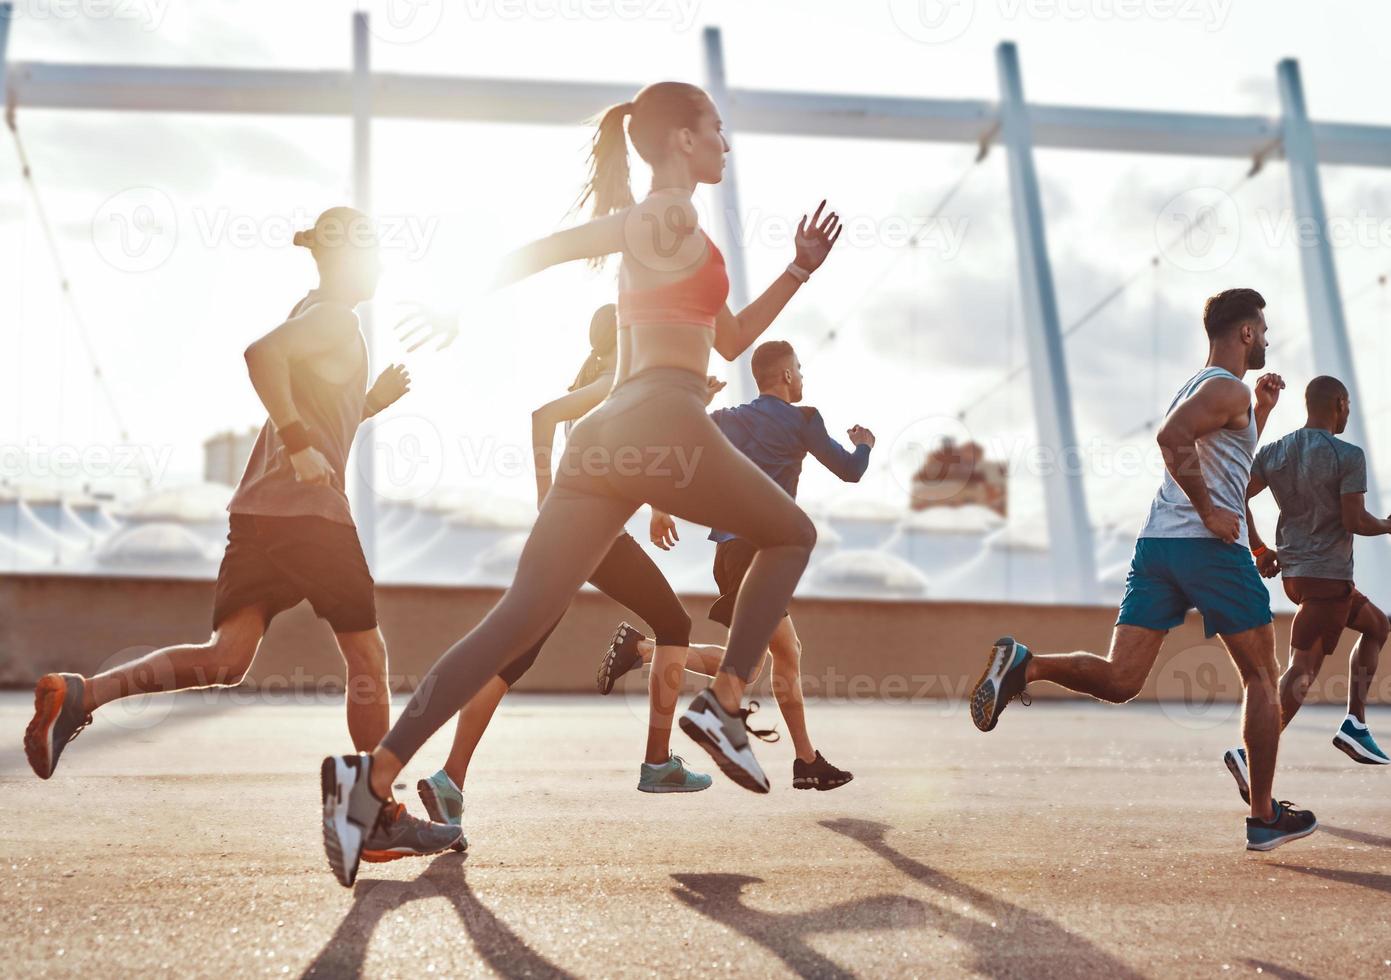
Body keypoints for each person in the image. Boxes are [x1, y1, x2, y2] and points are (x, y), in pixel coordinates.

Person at [321, 80, 841, 887]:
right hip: (661, 423)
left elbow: (729, 336)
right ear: (679, 141)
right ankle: (725, 699)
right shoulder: (669, 216)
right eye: (715, 131)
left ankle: (371, 781)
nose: (725, 145)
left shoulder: (673, 235)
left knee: (515, 620)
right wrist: (463, 303)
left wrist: (797, 272)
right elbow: (551, 248)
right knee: (792, 534)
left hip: (603, 439)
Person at [24, 207, 460, 862]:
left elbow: (314, 406)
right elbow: (259, 356)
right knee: (368, 659)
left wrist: (366, 406)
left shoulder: (313, 313)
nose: (379, 266)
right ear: (346, 257)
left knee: (226, 658)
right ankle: (372, 813)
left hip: (258, 515)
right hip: (310, 518)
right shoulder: (331, 318)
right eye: (371, 253)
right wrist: (298, 443)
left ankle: (85, 693)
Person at [967, 288, 1318, 852]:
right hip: (1205, 547)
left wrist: (1263, 416)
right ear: (1246, 332)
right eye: (1264, 330)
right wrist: (1209, 513)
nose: (1269, 341)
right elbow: (1171, 439)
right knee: (1261, 675)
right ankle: (1263, 816)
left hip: (1159, 545)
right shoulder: (1225, 388)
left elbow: (1225, 463)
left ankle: (1025, 667)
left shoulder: (1205, 387)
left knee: (1122, 679)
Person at [415, 305, 723, 854]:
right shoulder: (613, 380)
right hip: (590, 534)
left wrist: (654, 499)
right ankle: (657, 762)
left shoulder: (614, 387)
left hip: (575, 535)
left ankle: (449, 781)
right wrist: (543, 493)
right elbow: (541, 416)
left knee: (516, 655)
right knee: (674, 622)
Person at [597, 339, 873, 791]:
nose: (802, 377)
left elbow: (670, 448)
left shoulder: (728, 419)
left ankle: (645, 651)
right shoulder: (804, 419)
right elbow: (849, 470)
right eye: (799, 370)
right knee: (782, 655)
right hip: (760, 554)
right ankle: (799, 757)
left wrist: (658, 506)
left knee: (766, 658)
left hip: (727, 556)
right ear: (785, 376)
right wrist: (862, 445)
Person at [1222, 374, 1391, 803]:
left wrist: (1260, 547)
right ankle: (1250, 752)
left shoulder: (1276, 451)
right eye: (1348, 404)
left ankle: (1355, 723)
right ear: (1337, 403)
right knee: (1301, 673)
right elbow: (1355, 521)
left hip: (1300, 576)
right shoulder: (1347, 455)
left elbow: (1236, 494)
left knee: (1377, 626)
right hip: (1328, 579)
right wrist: (1388, 525)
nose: (1349, 412)